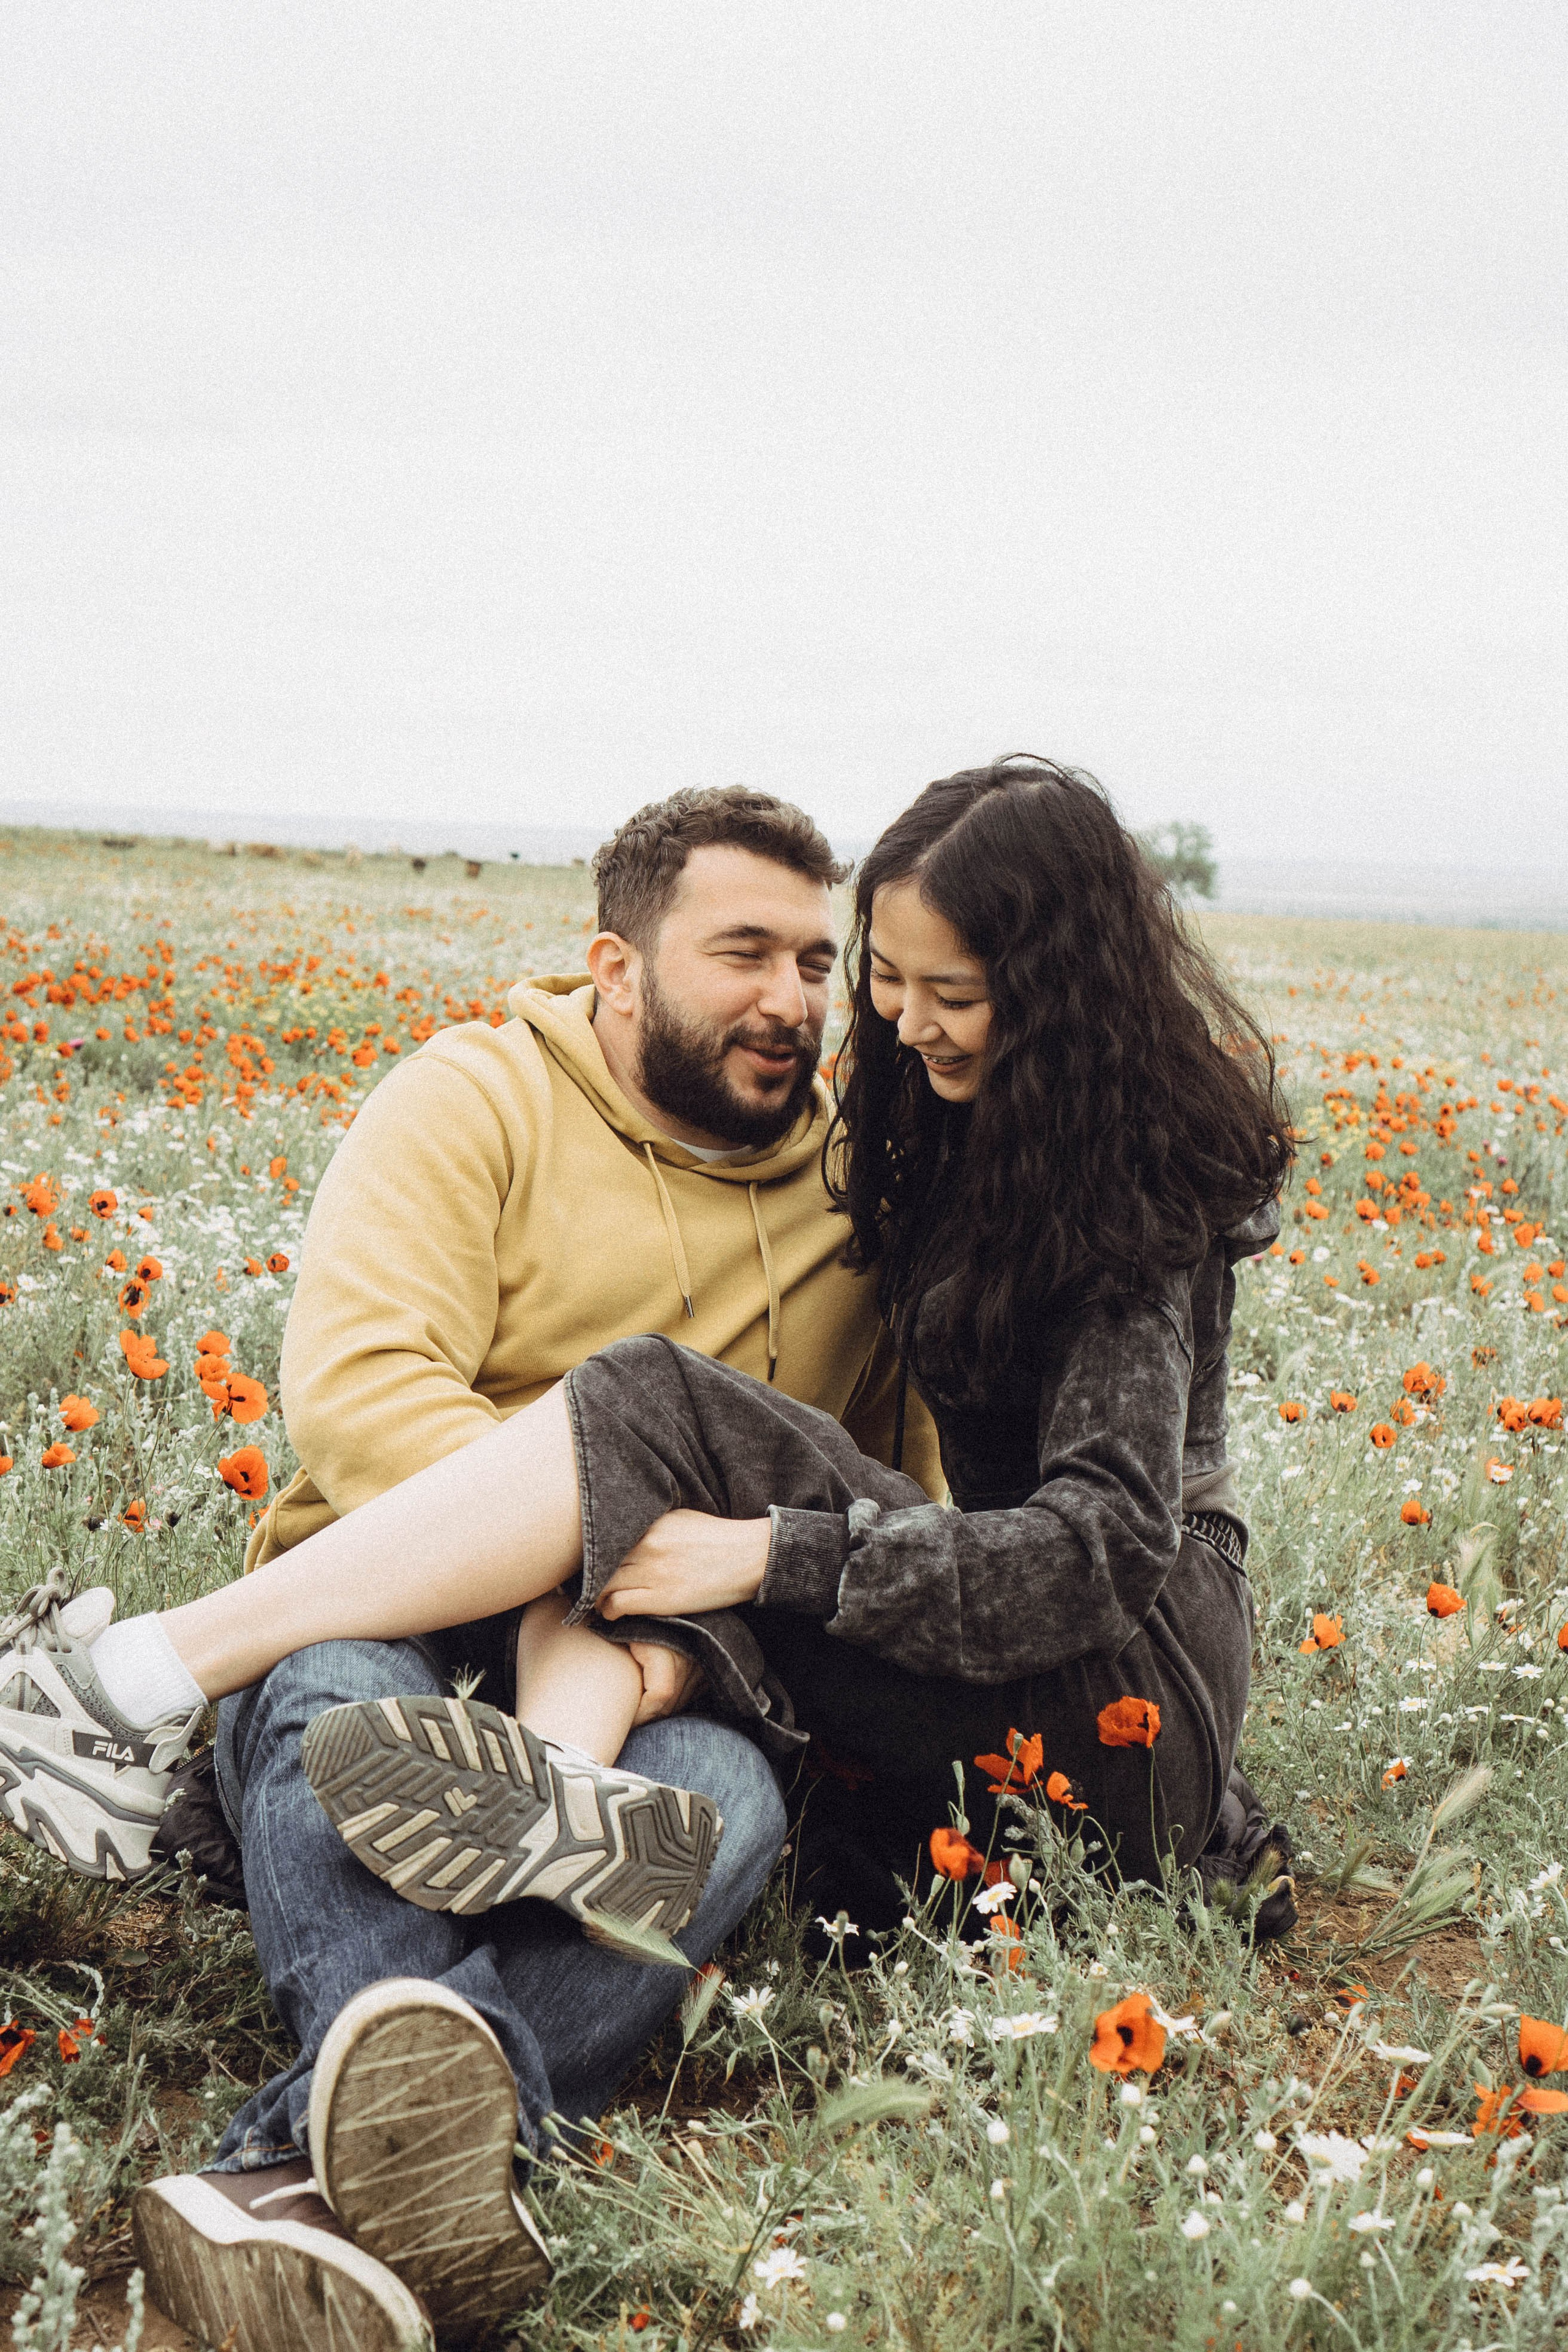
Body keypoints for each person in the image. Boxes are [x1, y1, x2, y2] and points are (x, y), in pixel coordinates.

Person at [0, 785, 943, 2352]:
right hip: (386, 1610)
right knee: (334, 1715)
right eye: (742, 955)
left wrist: (659, 1623)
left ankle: (302, 2185)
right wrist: (562, 1574)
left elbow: (882, 1502)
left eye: (812, 962)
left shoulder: (862, 1190)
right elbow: (362, 1396)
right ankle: (416, 2180)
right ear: (617, 966)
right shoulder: (472, 1098)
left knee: (726, 1807)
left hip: (664, 1675)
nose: (792, 1001)